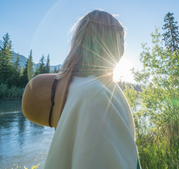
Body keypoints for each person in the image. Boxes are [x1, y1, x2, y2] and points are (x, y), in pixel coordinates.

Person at [44, 10, 140, 169]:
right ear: (106, 42)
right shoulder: (94, 94)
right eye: (120, 39)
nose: (123, 47)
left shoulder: (77, 85)